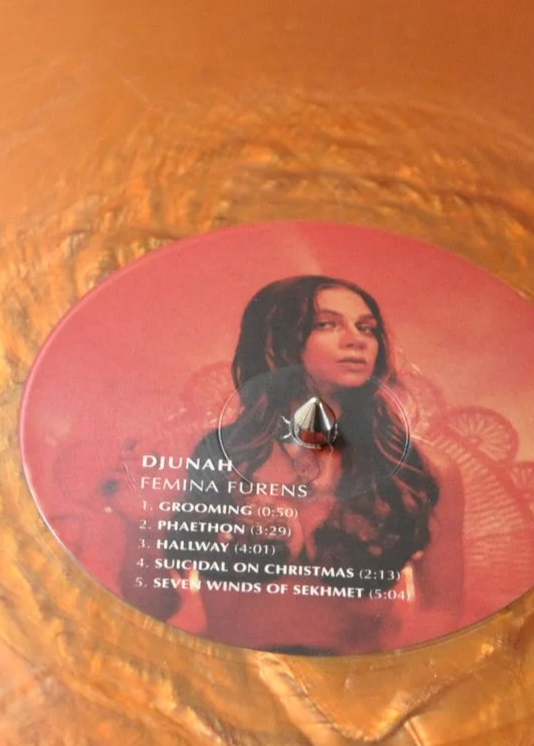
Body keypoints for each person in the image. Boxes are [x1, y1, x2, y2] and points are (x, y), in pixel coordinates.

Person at [120, 275, 464, 654]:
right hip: (233, 681)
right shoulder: (212, 454)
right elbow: (155, 608)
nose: (357, 339)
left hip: (354, 689)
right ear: (277, 339)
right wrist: (138, 528)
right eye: (327, 324)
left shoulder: (421, 469)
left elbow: (441, 612)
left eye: (367, 327)